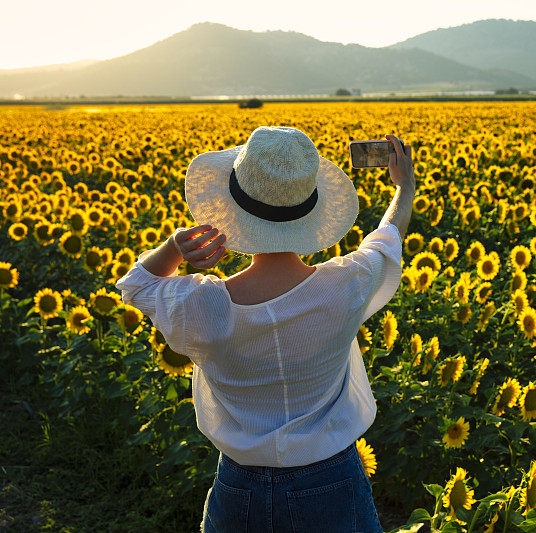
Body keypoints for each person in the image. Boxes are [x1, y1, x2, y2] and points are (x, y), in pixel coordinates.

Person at [114, 126, 415, 533]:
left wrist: (174, 248)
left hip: (239, 487)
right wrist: (404, 187)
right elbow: (387, 238)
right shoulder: (346, 285)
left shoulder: (204, 305)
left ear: (232, 210)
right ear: (310, 211)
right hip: (330, 482)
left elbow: (135, 285)